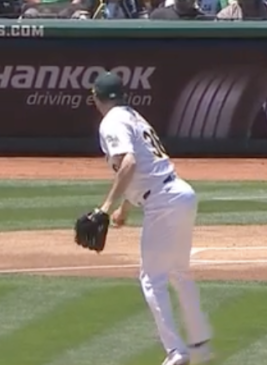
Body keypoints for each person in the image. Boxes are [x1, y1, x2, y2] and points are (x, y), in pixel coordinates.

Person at [89, 71, 214, 365]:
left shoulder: (111, 121)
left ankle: (176, 351)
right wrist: (124, 209)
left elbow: (129, 163)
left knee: (151, 279)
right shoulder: (134, 116)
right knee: (179, 272)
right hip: (181, 193)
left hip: (162, 201)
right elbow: (144, 166)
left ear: (97, 98)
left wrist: (104, 208)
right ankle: (200, 340)